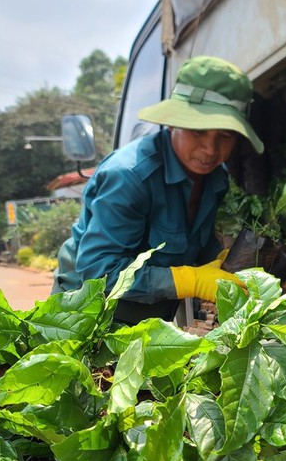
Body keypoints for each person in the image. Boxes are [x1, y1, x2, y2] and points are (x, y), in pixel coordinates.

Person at [53, 55, 264, 322]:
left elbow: (192, 245)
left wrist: (218, 262)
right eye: (198, 131)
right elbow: (97, 273)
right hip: (86, 319)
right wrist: (191, 280)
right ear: (174, 122)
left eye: (224, 136)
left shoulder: (215, 179)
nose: (210, 150)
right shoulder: (129, 176)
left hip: (151, 321)